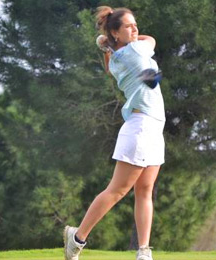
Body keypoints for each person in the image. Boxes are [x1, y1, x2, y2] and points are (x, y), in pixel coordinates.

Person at [64, 5, 165, 260]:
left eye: (135, 24)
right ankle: (77, 239)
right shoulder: (134, 49)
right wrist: (108, 41)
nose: (135, 28)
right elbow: (151, 39)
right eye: (128, 26)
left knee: (144, 190)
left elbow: (113, 62)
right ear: (116, 33)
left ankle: (143, 251)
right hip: (141, 127)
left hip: (152, 127)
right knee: (117, 190)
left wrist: (108, 43)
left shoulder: (117, 58)